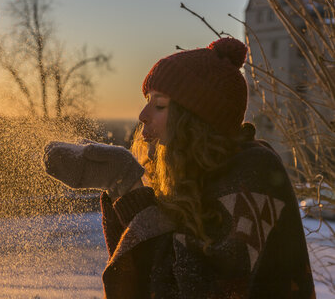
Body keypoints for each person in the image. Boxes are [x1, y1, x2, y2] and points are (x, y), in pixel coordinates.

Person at [43, 38, 315, 299]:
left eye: (159, 104)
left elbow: (194, 289)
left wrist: (128, 186)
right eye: (148, 101)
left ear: (196, 119)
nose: (143, 116)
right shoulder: (193, 174)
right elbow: (149, 272)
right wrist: (118, 188)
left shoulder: (254, 175)